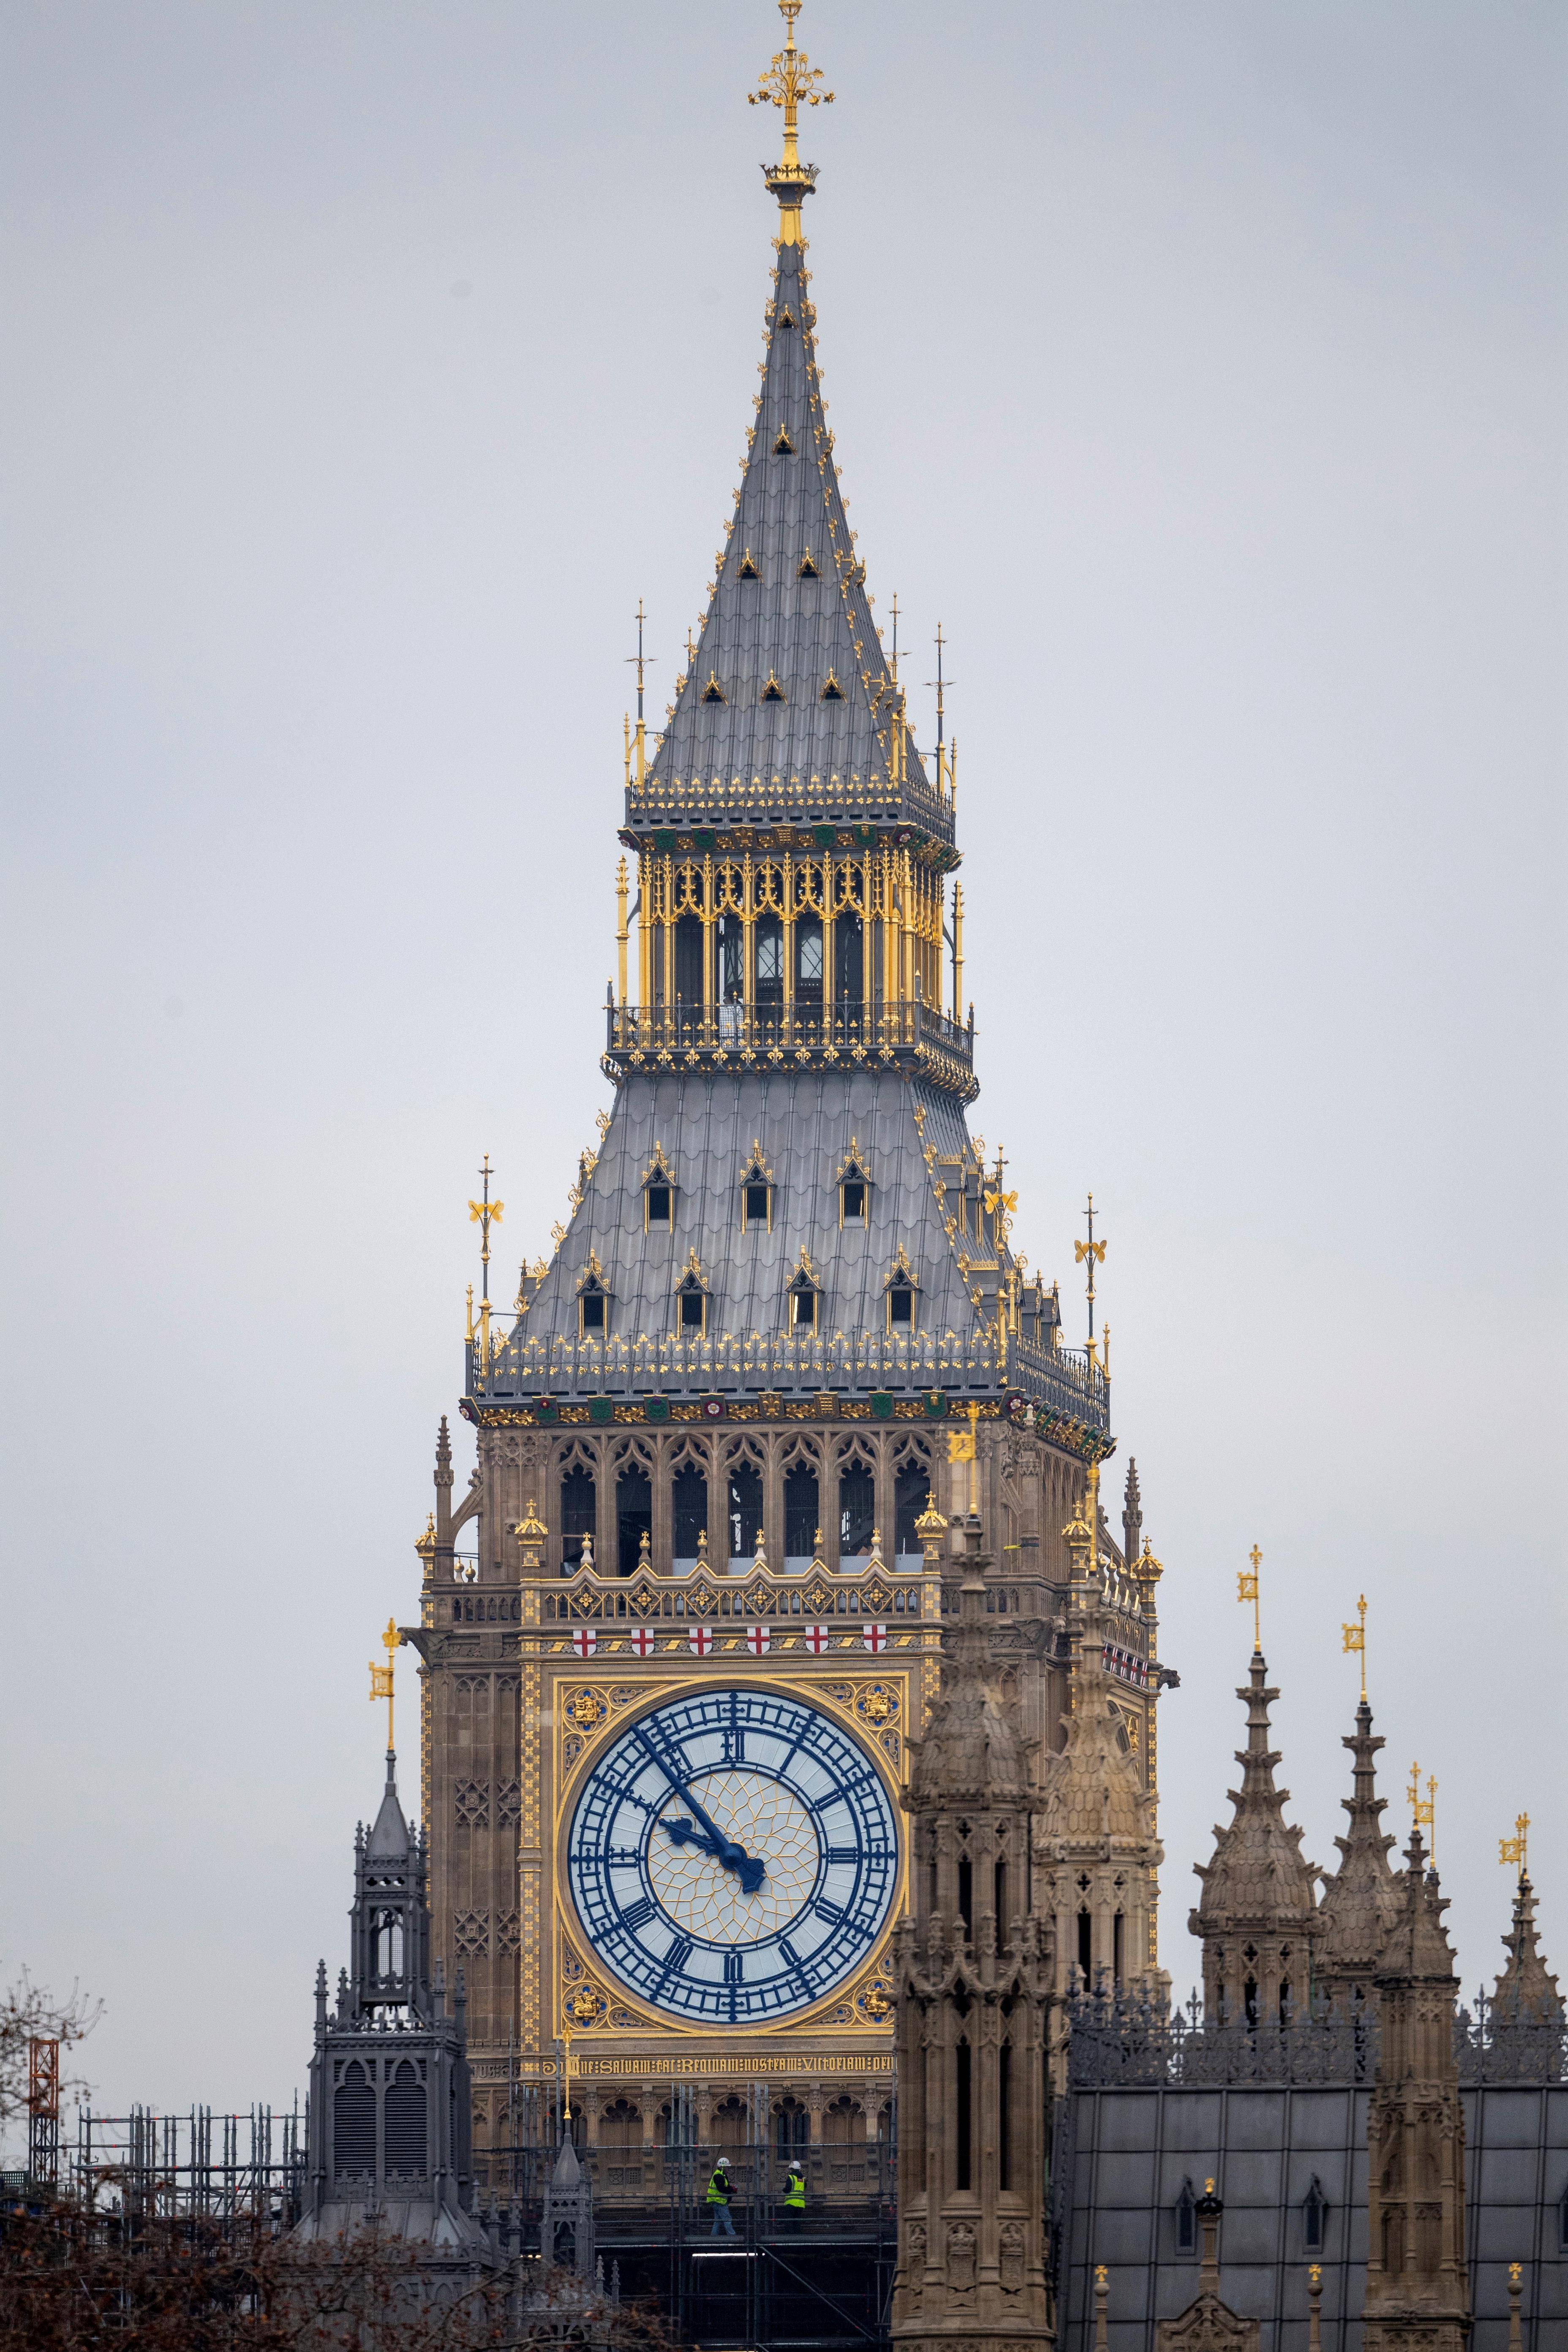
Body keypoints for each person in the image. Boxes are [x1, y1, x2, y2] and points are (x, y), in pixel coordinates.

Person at [706, 2153, 735, 2235]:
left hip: (717, 2201)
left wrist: (731, 2189)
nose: (728, 2169)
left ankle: (713, 2237)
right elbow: (721, 2189)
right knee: (727, 2219)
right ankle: (732, 2236)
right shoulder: (719, 2176)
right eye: (727, 2167)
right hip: (719, 2201)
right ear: (722, 2167)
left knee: (718, 2221)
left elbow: (723, 2187)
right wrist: (731, 2189)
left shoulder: (721, 2175)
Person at [781, 2153, 806, 2232]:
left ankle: (790, 2235)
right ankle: (797, 2235)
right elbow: (804, 2187)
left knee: (789, 2220)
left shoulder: (791, 2177)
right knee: (797, 2220)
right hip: (801, 2203)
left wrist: (784, 2190)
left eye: (791, 2169)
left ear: (792, 2169)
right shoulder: (803, 2179)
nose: (790, 2170)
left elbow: (788, 2189)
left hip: (791, 2202)